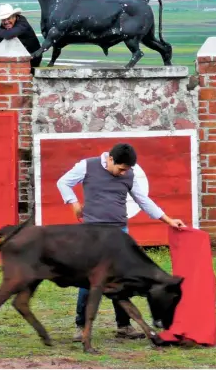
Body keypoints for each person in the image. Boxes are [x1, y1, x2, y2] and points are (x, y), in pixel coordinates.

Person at [56, 143, 186, 342]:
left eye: (127, 170)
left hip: (119, 233)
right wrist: (73, 202)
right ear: (109, 159)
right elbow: (63, 182)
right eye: (121, 169)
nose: (123, 173)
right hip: (93, 233)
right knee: (90, 279)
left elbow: (144, 201)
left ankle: (123, 326)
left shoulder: (129, 175)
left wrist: (168, 219)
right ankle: (81, 326)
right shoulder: (87, 166)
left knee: (122, 279)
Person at [0, 4, 42, 74]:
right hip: (17, 59)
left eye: (8, 18)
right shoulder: (5, 26)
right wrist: (2, 33)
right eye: (3, 20)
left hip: (32, 58)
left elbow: (8, 34)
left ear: (14, 16)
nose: (6, 22)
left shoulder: (22, 23)